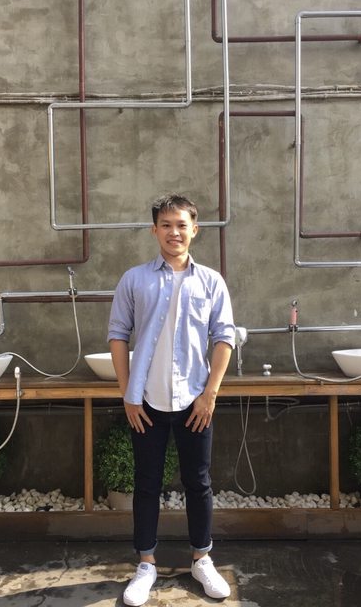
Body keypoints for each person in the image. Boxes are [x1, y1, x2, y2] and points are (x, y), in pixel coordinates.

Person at [107, 193, 235, 606]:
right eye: (166, 225)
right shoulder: (134, 279)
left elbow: (224, 338)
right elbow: (118, 335)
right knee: (146, 484)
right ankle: (146, 564)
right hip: (146, 403)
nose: (174, 232)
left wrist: (209, 395)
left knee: (198, 482)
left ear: (194, 229)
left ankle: (202, 558)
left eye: (181, 225)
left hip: (194, 402)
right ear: (154, 230)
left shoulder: (211, 281)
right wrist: (128, 395)